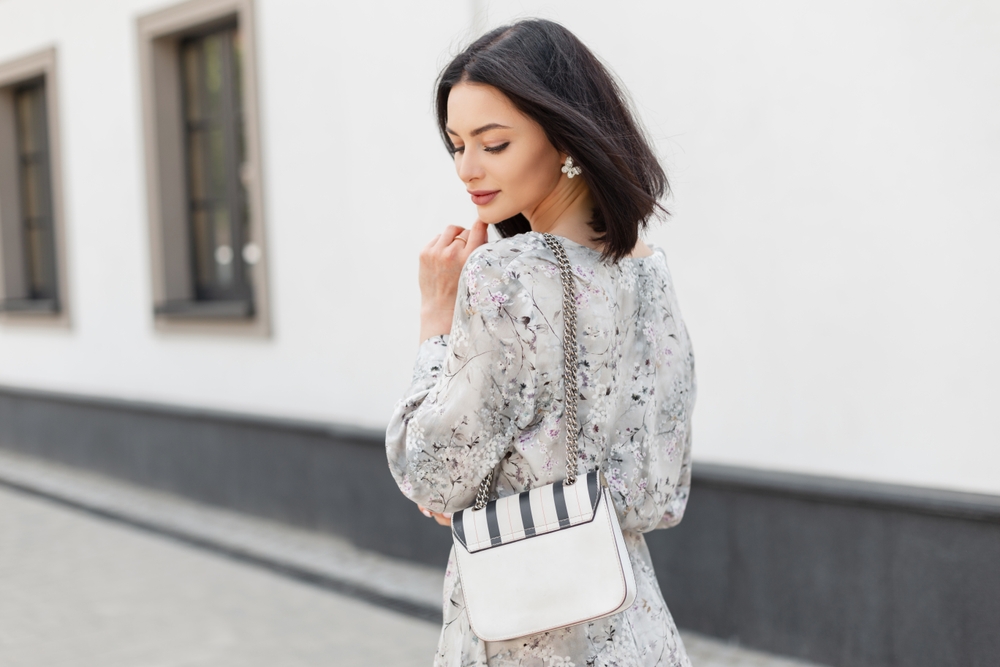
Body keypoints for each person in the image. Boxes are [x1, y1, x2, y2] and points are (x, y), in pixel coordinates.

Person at [385, 18, 697, 667]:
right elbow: (661, 490)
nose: (468, 168)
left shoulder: (505, 273)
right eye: (456, 144)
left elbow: (431, 472)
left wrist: (435, 314)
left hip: (529, 633)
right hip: (634, 626)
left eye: (493, 143)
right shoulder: (648, 272)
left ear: (563, 136)